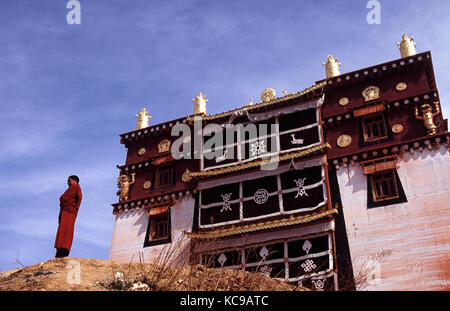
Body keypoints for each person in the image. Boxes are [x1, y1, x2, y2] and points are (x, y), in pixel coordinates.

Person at [54, 175, 82, 258]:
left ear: (74, 181)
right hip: (66, 212)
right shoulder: (73, 188)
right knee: (63, 232)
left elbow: (63, 198)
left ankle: (63, 250)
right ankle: (60, 250)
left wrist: (62, 198)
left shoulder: (75, 186)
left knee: (66, 231)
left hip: (69, 212)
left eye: (69, 181)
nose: (67, 183)